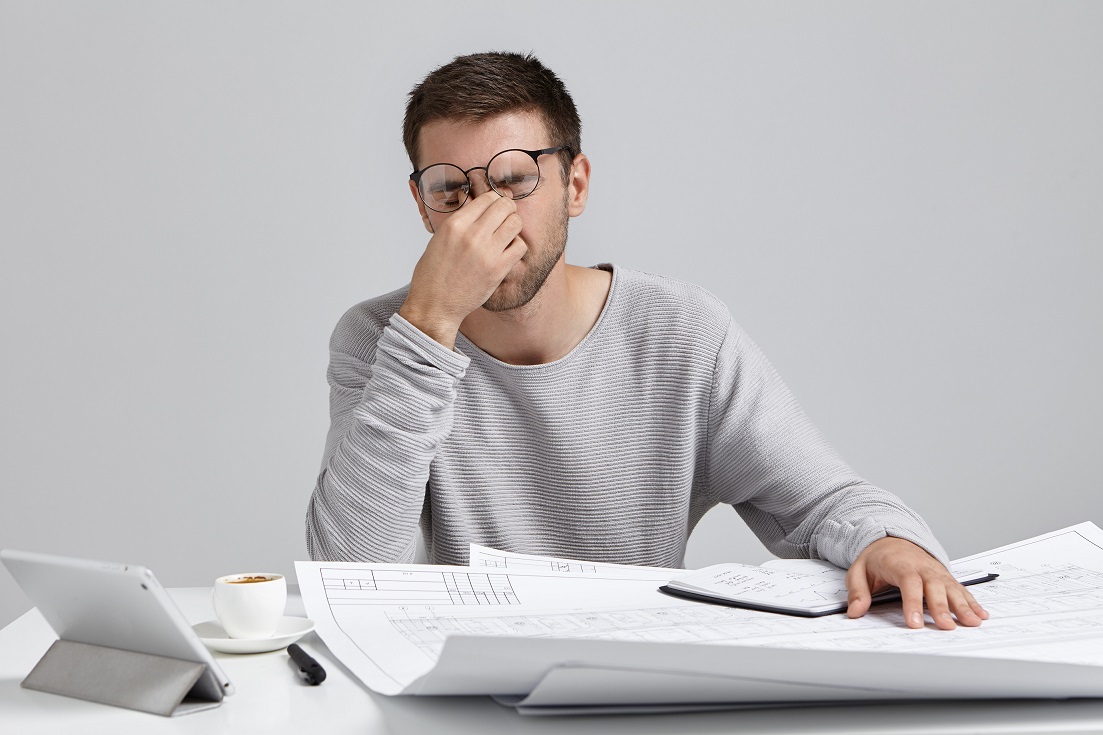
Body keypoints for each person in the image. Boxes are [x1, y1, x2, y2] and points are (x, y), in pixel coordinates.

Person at [306, 51, 988, 631]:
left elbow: (825, 502)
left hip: (639, 685)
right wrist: (427, 325)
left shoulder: (680, 330)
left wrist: (891, 542)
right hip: (458, 691)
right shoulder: (380, 339)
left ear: (573, 185)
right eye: (451, 191)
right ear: (423, 208)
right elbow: (350, 574)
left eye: (514, 180)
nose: (486, 216)